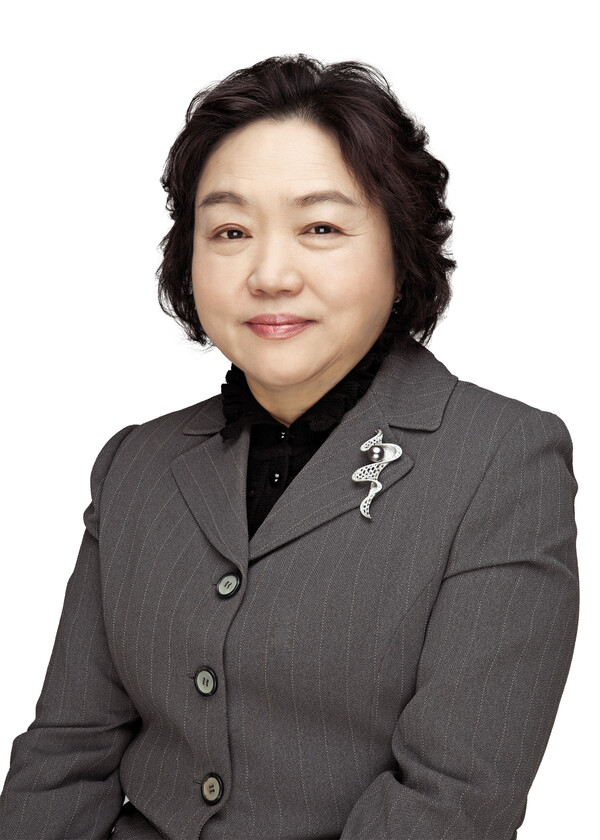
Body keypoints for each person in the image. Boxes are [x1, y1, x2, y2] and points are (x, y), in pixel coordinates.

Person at [0, 54, 578, 840]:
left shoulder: (501, 459)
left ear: (400, 249)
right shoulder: (136, 463)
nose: (270, 274)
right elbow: (66, 757)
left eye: (321, 228)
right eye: (230, 231)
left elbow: (453, 801)